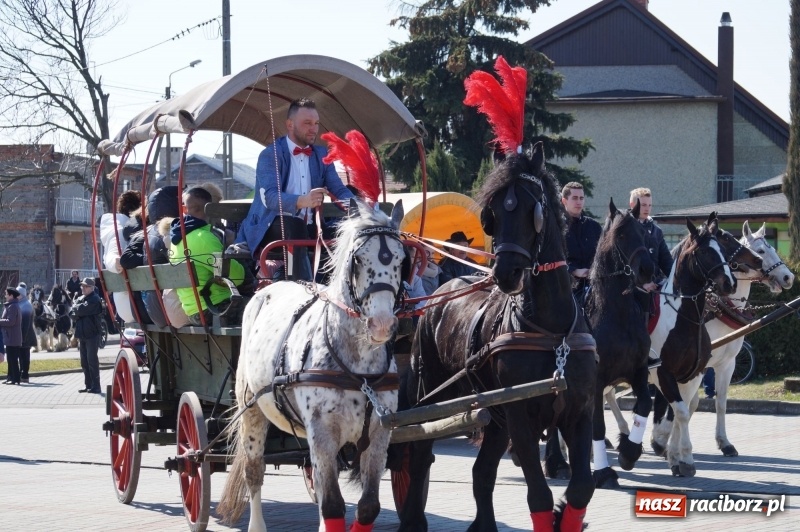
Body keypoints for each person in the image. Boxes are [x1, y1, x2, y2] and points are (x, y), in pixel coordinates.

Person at [235, 98, 354, 280]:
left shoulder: (321, 154)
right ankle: (300, 286)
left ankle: (344, 288)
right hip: (270, 224)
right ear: (290, 124)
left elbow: (338, 189)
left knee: (346, 231)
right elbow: (270, 198)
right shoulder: (270, 154)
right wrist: (303, 201)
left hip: (308, 226)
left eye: (316, 123)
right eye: (307, 123)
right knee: (295, 225)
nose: (314, 129)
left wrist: (360, 208)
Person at [170, 186, 247, 326]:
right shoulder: (204, 238)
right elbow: (237, 277)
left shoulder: (177, 239)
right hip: (214, 308)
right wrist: (233, 252)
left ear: (183, 210)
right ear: (210, 209)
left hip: (194, 310)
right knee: (267, 306)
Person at [120, 186, 181, 327]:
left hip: (144, 310)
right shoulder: (159, 233)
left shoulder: (144, 232)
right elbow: (126, 259)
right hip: (159, 311)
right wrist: (150, 257)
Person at [561, 182, 602, 305]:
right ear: (564, 201)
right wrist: (573, 270)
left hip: (595, 287)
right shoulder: (556, 227)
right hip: (566, 288)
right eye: (574, 198)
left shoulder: (594, 227)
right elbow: (550, 258)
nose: (579, 202)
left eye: (581, 198)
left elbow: (604, 256)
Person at [629, 187, 673, 291]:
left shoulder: (657, 231)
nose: (647, 209)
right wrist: (640, 284)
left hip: (656, 284)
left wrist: (679, 279)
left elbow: (666, 260)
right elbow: (622, 265)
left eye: (649, 205)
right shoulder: (625, 230)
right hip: (631, 289)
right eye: (643, 205)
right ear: (632, 204)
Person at [70, 277, 103, 394]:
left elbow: (81, 310)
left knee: (92, 360)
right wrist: (77, 310)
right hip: (82, 334)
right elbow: (72, 313)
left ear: (91, 287)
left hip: (92, 335)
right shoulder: (81, 298)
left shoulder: (95, 299)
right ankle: (88, 385)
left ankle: (96, 386)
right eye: (82, 286)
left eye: (85, 286)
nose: (82, 288)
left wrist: (77, 309)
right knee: (84, 361)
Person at [1, 287, 23, 385]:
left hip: (13, 337)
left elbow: (11, 321)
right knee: (10, 359)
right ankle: (10, 377)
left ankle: (15, 379)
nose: (5, 295)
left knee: (13, 359)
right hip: (10, 337)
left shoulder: (13, 306)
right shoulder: (11, 305)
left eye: (6, 294)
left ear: (11, 295)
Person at [15, 283, 36, 384]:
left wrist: (22, 337)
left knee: (25, 356)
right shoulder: (19, 304)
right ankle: (21, 373)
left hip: (26, 335)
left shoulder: (26, 305)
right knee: (20, 356)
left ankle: (25, 375)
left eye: (17, 294)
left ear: (21, 295)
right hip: (21, 335)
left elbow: (26, 324)